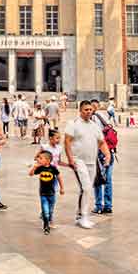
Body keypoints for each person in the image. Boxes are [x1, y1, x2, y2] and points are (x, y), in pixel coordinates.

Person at [64, 100, 111, 229]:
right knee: (86, 188)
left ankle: (79, 215)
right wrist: (70, 159)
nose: (89, 112)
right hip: (78, 160)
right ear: (80, 110)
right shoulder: (73, 124)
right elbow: (67, 142)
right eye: (86, 109)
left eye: (90, 109)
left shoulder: (94, 126)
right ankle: (84, 216)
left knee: (86, 188)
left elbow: (101, 142)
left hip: (92, 161)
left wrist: (107, 155)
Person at [29, 150, 64, 234]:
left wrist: (62, 188)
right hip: (43, 193)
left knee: (50, 211)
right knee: (46, 211)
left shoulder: (53, 168)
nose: (38, 160)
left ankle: (48, 221)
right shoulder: (40, 168)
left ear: (48, 160)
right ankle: (46, 226)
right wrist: (34, 167)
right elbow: (30, 174)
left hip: (52, 193)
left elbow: (59, 177)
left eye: (41, 158)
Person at [92, 110, 116, 215]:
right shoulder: (104, 116)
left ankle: (98, 206)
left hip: (98, 152)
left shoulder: (90, 120)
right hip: (110, 151)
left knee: (97, 179)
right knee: (108, 180)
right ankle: (108, 206)